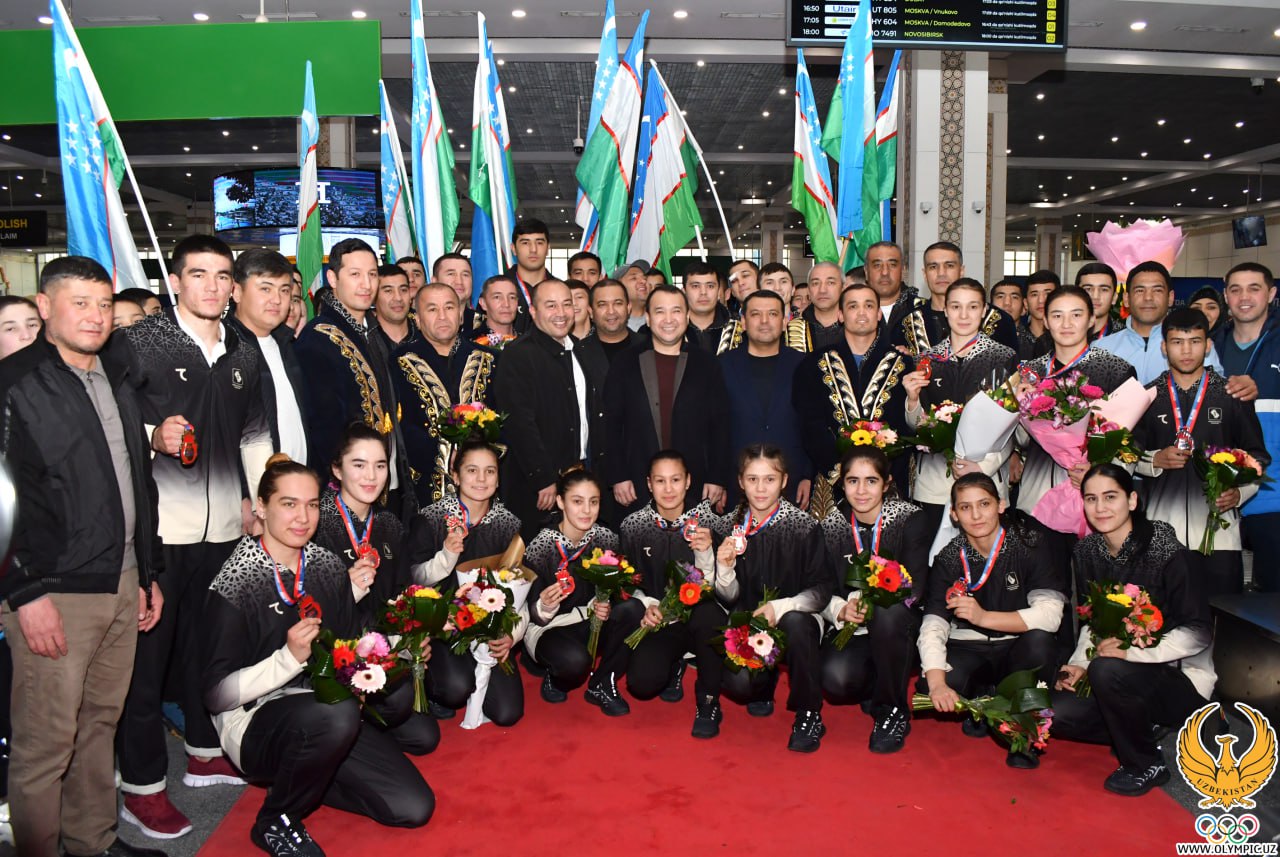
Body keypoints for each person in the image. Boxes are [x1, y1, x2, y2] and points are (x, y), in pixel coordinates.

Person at [1, 256, 165, 857]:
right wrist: (24, 594)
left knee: (99, 725)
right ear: (45, 306)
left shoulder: (115, 375)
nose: (95, 317)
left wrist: (148, 571)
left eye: (103, 305)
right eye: (80, 303)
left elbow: (137, 481)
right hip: (53, 592)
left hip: (122, 579)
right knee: (47, 744)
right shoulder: (14, 382)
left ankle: (91, 842)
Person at [117, 235, 273, 839]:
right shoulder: (140, 343)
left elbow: (255, 435)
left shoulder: (243, 349)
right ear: (175, 282)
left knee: (210, 649)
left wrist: (262, 503)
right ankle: (142, 787)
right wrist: (153, 435)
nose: (212, 285)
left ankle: (206, 752)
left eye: (222, 275)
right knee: (148, 662)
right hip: (160, 529)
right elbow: (109, 420)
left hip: (228, 527)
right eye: (199, 274)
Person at [203, 456, 434, 857]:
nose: (303, 517)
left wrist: (400, 652)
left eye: (311, 504)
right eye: (289, 504)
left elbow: (349, 645)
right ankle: (276, 819)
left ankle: (311, 770)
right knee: (338, 715)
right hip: (254, 720)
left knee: (413, 807)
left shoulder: (325, 565)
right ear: (261, 507)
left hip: (323, 704)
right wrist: (289, 658)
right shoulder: (234, 582)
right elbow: (216, 697)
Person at [1050, 465, 1214, 797]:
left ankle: (1146, 763)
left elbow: (1198, 632)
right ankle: (1140, 725)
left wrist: (1132, 653)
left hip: (1175, 676)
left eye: (1111, 497)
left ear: (1133, 500)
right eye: (1091, 499)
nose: (1100, 508)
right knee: (1055, 714)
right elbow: (1092, 620)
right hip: (1116, 671)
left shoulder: (1167, 550)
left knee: (1108, 669)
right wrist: (1079, 664)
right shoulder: (1087, 552)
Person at [687, 445, 831, 751]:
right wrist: (725, 569)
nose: (761, 488)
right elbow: (728, 598)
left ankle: (809, 713)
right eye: (753, 479)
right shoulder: (727, 526)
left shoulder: (805, 527)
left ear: (784, 480)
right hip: (747, 625)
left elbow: (821, 591)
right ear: (741, 481)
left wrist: (779, 608)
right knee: (739, 682)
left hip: (792, 625)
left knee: (798, 623)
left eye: (770, 479)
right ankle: (730, 695)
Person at [918, 473, 1066, 769]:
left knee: (1040, 642)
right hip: (970, 646)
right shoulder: (949, 558)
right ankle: (983, 700)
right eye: (966, 507)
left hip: (1017, 646)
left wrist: (984, 617)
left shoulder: (1029, 545)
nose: (976, 515)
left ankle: (1023, 729)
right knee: (929, 683)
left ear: (1001, 505)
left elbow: (1051, 615)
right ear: (954, 514)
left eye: (984, 504)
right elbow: (933, 624)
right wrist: (936, 685)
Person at [1134, 307, 1268, 597]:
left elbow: (1257, 457)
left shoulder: (1232, 396)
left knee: (1221, 617)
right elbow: (1125, 455)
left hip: (1219, 537)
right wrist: (1154, 459)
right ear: (1164, 347)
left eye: (1195, 341)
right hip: (1160, 534)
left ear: (1208, 345)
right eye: (1177, 342)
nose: (1186, 350)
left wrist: (1239, 493)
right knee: (1161, 617)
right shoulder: (1147, 396)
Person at [819, 447, 930, 754]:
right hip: (853, 628)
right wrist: (840, 609)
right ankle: (877, 684)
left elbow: (915, 587)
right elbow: (821, 586)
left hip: (900, 625)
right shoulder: (831, 525)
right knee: (836, 680)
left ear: (886, 483)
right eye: (852, 481)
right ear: (842, 483)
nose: (861, 491)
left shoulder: (909, 518)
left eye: (871, 481)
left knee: (888, 613)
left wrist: (875, 602)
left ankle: (892, 709)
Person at [408, 441, 525, 724]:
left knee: (508, 713)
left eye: (490, 471)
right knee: (455, 689)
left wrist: (513, 634)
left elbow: (520, 587)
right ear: (456, 476)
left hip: (489, 626)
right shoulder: (431, 518)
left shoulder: (509, 524)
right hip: (443, 627)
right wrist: (446, 556)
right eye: (472, 470)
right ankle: (435, 686)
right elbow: (414, 579)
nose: (481, 479)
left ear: (498, 479)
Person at [295, 239, 410, 513]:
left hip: (384, 479)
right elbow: (323, 426)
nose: (366, 284)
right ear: (333, 279)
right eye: (355, 274)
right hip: (346, 490)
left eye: (372, 274)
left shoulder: (372, 330)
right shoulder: (319, 337)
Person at [1013, 286, 1136, 526]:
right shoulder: (1030, 373)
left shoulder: (1115, 370)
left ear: (1091, 320)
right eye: (1057, 315)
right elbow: (1020, 441)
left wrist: (1099, 468)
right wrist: (1018, 409)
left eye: (1076, 315)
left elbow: (1132, 440)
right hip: (1039, 496)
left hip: (1099, 501)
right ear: (1046, 321)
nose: (1066, 324)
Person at [603, 285, 731, 516]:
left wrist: (717, 477)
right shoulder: (624, 363)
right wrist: (618, 476)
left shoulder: (707, 364)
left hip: (695, 484)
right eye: (660, 311)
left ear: (687, 317)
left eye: (676, 311)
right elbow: (611, 424)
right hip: (636, 483)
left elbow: (721, 425)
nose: (669, 319)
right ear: (648, 318)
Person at [903, 278, 1018, 534]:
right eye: (956, 307)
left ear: (984, 310)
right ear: (945, 310)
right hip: (935, 484)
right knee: (935, 556)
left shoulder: (1003, 358)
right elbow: (917, 426)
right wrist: (912, 400)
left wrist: (982, 467)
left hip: (986, 481)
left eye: (973, 307)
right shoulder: (927, 358)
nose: (964, 315)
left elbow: (1010, 427)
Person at [524, 470, 643, 714]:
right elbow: (530, 614)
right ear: (560, 502)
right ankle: (555, 675)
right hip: (551, 627)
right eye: (577, 501)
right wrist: (545, 605)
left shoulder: (606, 538)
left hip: (589, 620)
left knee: (634, 609)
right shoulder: (539, 545)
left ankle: (602, 683)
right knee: (575, 663)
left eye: (594, 502)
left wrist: (604, 602)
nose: (587, 510)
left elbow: (620, 587)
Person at [492, 279, 601, 540]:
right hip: (539, 486)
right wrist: (543, 478)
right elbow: (519, 423)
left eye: (567, 304)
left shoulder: (581, 350)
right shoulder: (518, 355)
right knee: (539, 554)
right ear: (533, 311)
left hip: (580, 477)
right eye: (551, 305)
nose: (561, 313)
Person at [793, 283, 912, 516]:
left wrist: (882, 473)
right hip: (831, 481)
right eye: (853, 306)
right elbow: (809, 424)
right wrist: (839, 471)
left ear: (878, 314)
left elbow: (905, 426)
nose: (861, 312)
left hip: (887, 482)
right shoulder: (814, 364)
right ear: (840, 315)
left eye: (868, 306)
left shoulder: (903, 363)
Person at [618, 451, 721, 705]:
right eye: (660, 481)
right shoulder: (633, 526)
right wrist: (645, 604)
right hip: (658, 621)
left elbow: (723, 586)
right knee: (642, 683)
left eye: (675, 480)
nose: (668, 489)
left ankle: (708, 700)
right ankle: (675, 662)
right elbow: (626, 583)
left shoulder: (710, 523)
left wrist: (707, 552)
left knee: (710, 615)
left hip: (700, 620)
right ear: (649, 484)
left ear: (688, 481)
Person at [392, 283, 496, 506]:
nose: (442, 316)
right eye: (432, 309)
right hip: (424, 488)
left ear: (460, 315)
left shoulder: (490, 359)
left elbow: (507, 418)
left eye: (449, 308)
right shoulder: (398, 362)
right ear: (417, 319)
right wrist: (443, 454)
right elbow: (399, 425)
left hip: (484, 485)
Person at [1214, 263, 1280, 592]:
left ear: (1271, 294)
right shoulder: (1210, 347)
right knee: (1222, 596)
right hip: (1219, 495)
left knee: (1273, 594)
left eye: (1254, 288)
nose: (1244, 297)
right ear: (1226, 295)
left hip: (1273, 494)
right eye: (1235, 289)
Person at [313, 424, 415, 623]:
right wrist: (347, 591)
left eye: (380, 466)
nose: (371, 476)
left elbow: (404, 592)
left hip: (388, 640)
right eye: (359, 465)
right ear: (337, 470)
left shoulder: (390, 524)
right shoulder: (316, 524)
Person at [720, 290, 812, 507]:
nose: (764, 321)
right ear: (743, 322)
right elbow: (713, 427)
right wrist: (718, 479)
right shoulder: (721, 365)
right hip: (735, 481)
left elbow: (812, 423)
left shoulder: (804, 365)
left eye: (772, 314)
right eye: (755, 314)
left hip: (792, 480)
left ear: (784, 322)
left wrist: (808, 475)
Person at [228, 249, 309, 464]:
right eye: (266, 289)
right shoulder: (224, 350)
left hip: (299, 476)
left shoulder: (287, 345)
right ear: (237, 292)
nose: (277, 299)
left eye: (284, 290)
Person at [1097, 261, 1224, 385]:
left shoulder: (1196, 345)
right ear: (1126, 299)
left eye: (1157, 290)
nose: (1148, 297)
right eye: (1140, 290)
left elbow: (1215, 391)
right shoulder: (1102, 349)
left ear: (1170, 298)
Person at [892, 242, 1018, 356]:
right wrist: (910, 363)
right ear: (925, 274)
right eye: (933, 267)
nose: (941, 273)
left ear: (961, 271)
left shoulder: (999, 320)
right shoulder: (907, 324)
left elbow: (1012, 369)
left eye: (950, 266)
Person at [578, 279, 642, 370]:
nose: (611, 311)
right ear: (591, 312)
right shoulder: (578, 353)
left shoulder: (649, 347)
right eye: (602, 305)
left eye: (618, 303)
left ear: (628, 308)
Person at [864, 241, 919, 329]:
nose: (885, 272)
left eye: (892, 265)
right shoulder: (851, 313)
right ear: (866, 272)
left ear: (903, 271)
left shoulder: (923, 310)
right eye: (877, 265)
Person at [506, 218, 550, 318]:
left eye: (539, 243)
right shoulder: (495, 290)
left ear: (548, 248)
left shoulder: (561, 290)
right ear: (513, 249)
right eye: (525, 243)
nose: (533, 249)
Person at [683, 261, 731, 353]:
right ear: (684, 292)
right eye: (695, 286)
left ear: (718, 291)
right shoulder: (670, 328)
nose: (703, 292)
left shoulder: (740, 329)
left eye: (710, 286)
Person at [799, 262, 843, 352]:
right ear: (808, 290)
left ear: (843, 288)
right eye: (815, 283)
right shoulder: (795, 330)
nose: (822, 290)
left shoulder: (855, 327)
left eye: (830, 283)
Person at [371, 264, 416, 351]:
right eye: (388, 291)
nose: (398, 298)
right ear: (374, 297)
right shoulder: (364, 340)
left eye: (403, 290)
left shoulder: (426, 333)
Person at [992, 279, 1041, 360]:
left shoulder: (1036, 345)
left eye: (1014, 297)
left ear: (1024, 309)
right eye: (1000, 297)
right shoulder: (977, 341)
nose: (1007, 303)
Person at [1075, 262, 1124, 340]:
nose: (1095, 296)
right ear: (1075, 295)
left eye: (1104, 289)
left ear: (1114, 298)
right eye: (1088, 289)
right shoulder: (1061, 333)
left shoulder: (1126, 339)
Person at [432, 253, 479, 333]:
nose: (459, 281)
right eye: (451, 274)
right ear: (435, 281)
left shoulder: (484, 324)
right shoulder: (420, 324)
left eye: (465, 275)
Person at [474, 275, 520, 348]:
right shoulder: (470, 344)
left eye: (512, 297)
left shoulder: (530, 344)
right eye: (497, 297)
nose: (506, 304)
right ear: (483, 303)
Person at [1023, 270, 1058, 357]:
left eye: (1048, 293)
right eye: (1034, 294)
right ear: (1026, 303)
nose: (1041, 300)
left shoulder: (1067, 338)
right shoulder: (1013, 341)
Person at [615, 261, 652, 331]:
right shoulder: (611, 323)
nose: (643, 281)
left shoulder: (659, 319)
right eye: (634, 278)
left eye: (645, 278)